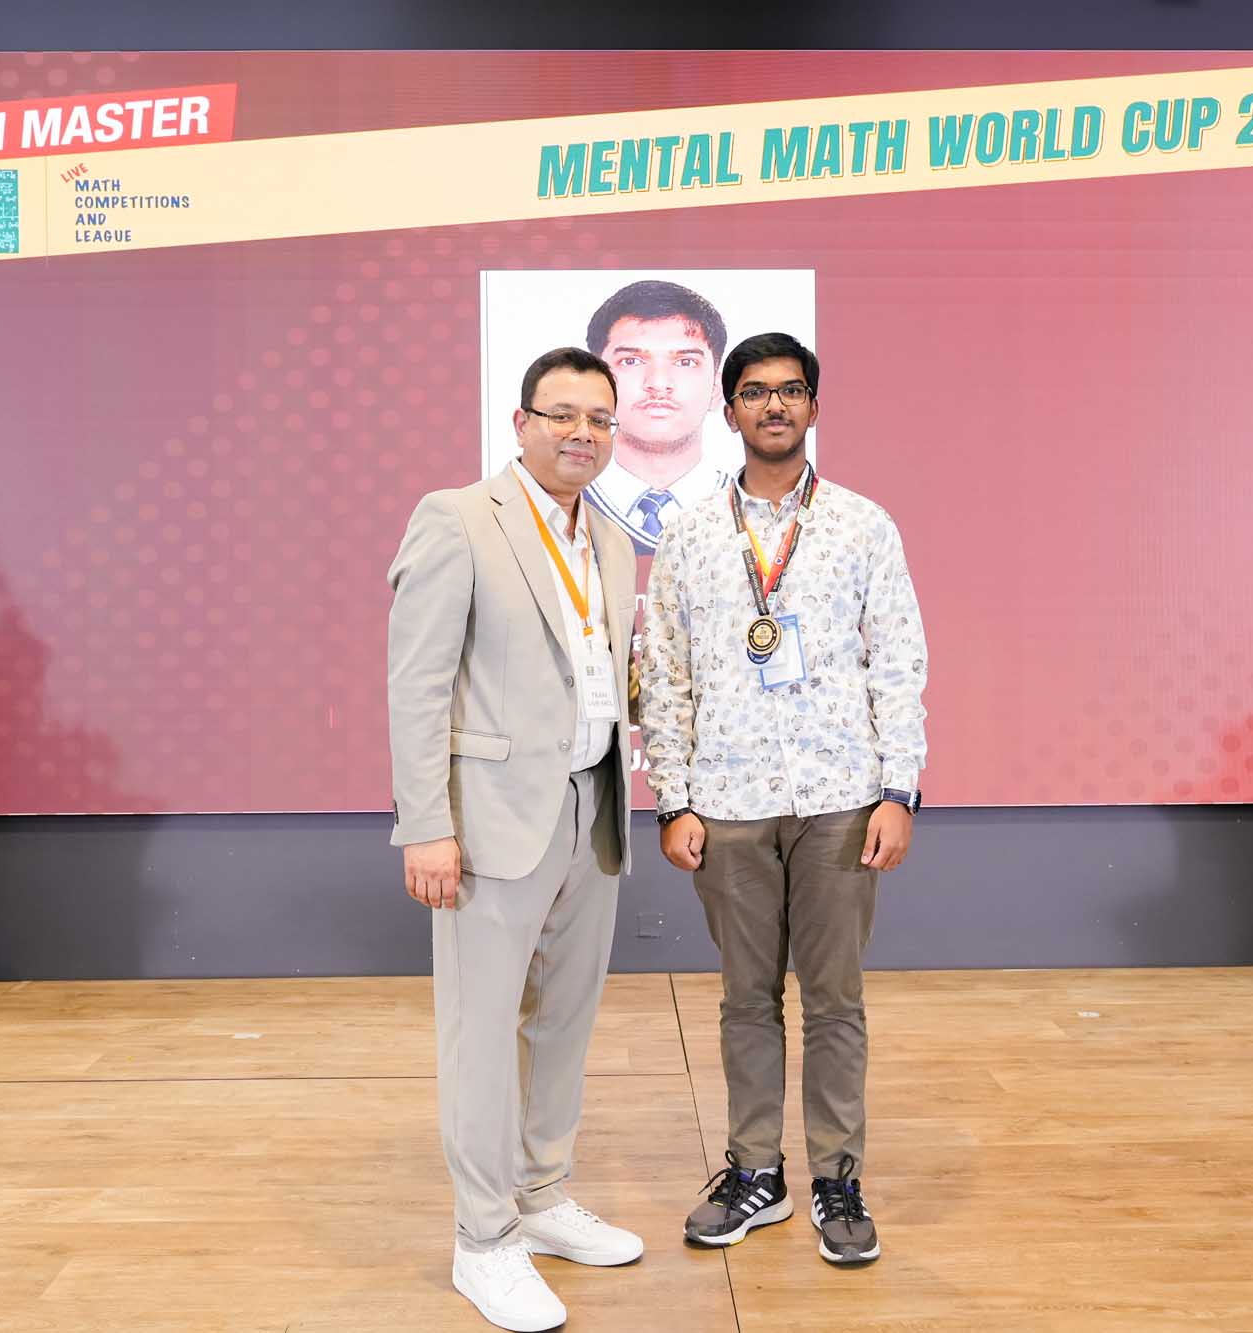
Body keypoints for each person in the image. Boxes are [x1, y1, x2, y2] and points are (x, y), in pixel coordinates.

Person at [638, 332, 928, 1266]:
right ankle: (756, 1171)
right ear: (729, 412)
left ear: (813, 406)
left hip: (841, 797)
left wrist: (898, 790)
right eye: (756, 391)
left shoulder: (863, 525)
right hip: (726, 800)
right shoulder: (688, 533)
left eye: (791, 390)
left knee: (835, 1001)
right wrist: (673, 798)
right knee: (745, 999)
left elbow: (899, 662)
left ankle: (838, 1176)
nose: (774, 405)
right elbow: (665, 670)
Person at [387, 347, 644, 1331]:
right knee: (481, 1031)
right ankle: (483, 1238)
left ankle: (541, 1197)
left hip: (591, 809)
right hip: (489, 819)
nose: (582, 433)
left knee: (563, 1022)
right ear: (520, 421)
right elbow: (416, 686)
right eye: (562, 414)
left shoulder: (609, 537)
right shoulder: (457, 518)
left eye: (599, 419)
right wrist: (426, 826)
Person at [581, 279, 732, 554]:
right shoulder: (551, 512)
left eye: (686, 362)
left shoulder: (763, 517)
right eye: (631, 361)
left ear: (716, 388)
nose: (658, 383)